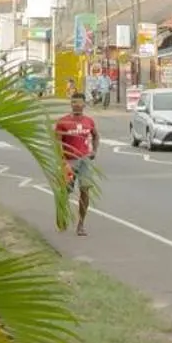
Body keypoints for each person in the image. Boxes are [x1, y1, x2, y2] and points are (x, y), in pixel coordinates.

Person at [55, 92, 100, 236]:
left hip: (84, 160)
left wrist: (94, 151)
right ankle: (62, 215)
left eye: (79, 102)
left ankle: (81, 224)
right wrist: (61, 159)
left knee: (85, 191)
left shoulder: (89, 121)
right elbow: (56, 142)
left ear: (84, 104)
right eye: (74, 102)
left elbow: (96, 135)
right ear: (71, 104)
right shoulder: (63, 122)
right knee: (65, 192)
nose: (76, 105)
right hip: (69, 160)